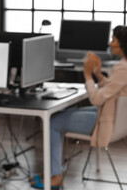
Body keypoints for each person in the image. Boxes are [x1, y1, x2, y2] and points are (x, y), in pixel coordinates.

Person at [30, 25, 127, 189]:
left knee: (52, 123)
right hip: (111, 115)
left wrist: (87, 74)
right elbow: (111, 90)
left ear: (123, 44)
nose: (110, 44)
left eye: (114, 40)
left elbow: (96, 99)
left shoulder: (122, 68)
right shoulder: (124, 66)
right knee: (63, 114)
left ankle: (55, 176)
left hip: (106, 121)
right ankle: (52, 170)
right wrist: (97, 73)